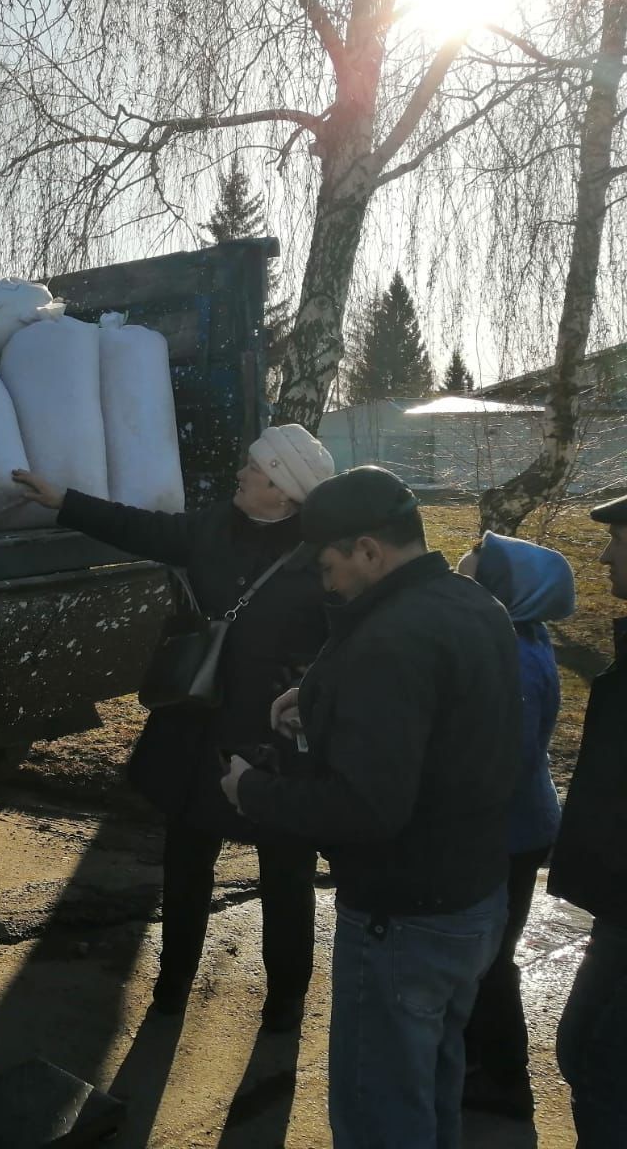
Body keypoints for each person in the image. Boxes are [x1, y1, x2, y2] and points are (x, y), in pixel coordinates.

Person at [221, 466, 520, 1149]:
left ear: (368, 550)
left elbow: (365, 808)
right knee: (431, 1094)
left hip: (401, 922)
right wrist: (323, 699)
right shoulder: (472, 605)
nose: (326, 584)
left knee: (380, 1116)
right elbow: (446, 730)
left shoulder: (392, 641)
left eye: (329, 566)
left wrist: (252, 791)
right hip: (472, 903)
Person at [14, 423, 335, 1031]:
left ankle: (285, 1005)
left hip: (277, 735)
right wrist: (64, 501)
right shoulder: (214, 526)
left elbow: (350, 640)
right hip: (200, 727)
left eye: (255, 470)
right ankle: (171, 988)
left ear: (286, 494)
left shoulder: (321, 558)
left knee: (285, 873)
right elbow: (145, 528)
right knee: (186, 861)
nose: (241, 474)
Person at [455, 532, 575, 1120]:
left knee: (491, 957)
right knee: (485, 954)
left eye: (477, 560)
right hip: (513, 826)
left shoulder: (517, 659)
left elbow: (504, 762)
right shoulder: (512, 638)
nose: (466, 560)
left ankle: (505, 1080)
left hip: (510, 833)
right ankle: (481, 1060)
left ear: (502, 588)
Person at [548, 494, 627, 1145]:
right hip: (616, 907)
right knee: (581, 1052)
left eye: (621, 540)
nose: (604, 554)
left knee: (604, 1071)